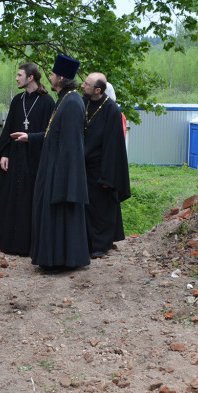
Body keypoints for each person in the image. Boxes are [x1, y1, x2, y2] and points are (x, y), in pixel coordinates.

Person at [11, 54, 90, 273]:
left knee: (59, 217)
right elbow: (52, 135)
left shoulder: (71, 102)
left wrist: (62, 178)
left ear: (61, 78)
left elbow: (71, 145)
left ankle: (60, 261)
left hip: (61, 173)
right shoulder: (65, 99)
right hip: (54, 170)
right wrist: (30, 137)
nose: (51, 77)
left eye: (53, 74)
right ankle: (53, 260)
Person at [0, 63, 55, 255]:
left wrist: (30, 138)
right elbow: (8, 128)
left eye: (20, 75)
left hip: (35, 160)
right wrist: (4, 153)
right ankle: (7, 241)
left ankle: (29, 246)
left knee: (29, 200)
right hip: (15, 157)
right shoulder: (17, 100)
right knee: (6, 196)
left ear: (31, 78)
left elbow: (51, 134)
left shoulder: (47, 102)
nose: (16, 78)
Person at [81, 72, 131, 258]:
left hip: (102, 168)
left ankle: (100, 245)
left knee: (101, 209)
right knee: (86, 208)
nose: (82, 85)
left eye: (86, 84)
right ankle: (87, 243)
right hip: (84, 166)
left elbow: (113, 146)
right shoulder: (84, 103)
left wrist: (107, 176)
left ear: (98, 90)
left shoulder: (111, 110)